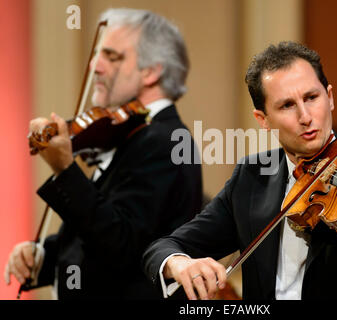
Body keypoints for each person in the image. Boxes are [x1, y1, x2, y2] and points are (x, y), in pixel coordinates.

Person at [142, 41, 337, 300]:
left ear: (329, 97)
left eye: (311, 97)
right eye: (287, 105)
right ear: (263, 120)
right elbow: (162, 248)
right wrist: (177, 264)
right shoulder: (251, 178)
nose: (305, 117)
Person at [4, 8, 202, 299]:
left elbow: (122, 245)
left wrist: (65, 171)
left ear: (151, 71)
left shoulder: (166, 141)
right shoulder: (131, 135)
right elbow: (102, 226)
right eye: (99, 54)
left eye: (112, 57)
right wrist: (45, 256)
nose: (95, 65)